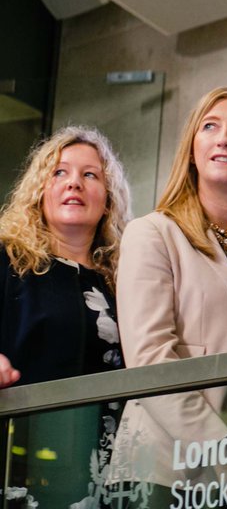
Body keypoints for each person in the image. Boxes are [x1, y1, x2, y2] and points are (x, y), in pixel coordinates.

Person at [109, 86, 227, 499]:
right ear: (191, 149)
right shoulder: (152, 233)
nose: (223, 138)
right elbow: (150, 359)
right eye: (209, 126)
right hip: (166, 471)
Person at [0, 126, 132, 506]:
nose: (74, 182)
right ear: (40, 190)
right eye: (59, 172)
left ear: (107, 199)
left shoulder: (126, 278)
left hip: (111, 471)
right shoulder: (9, 263)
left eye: (90, 175)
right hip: (22, 464)